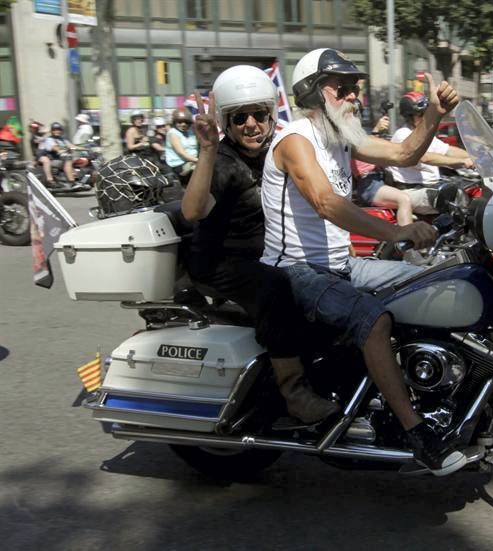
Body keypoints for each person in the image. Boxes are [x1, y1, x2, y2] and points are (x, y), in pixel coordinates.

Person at [261, 48, 465, 476]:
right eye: (345, 87)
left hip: (342, 264)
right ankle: (418, 435)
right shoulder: (295, 139)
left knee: (435, 279)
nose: (355, 95)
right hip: (295, 271)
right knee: (373, 322)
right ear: (315, 92)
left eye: (356, 87)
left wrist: (434, 113)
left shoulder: (342, 138)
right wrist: (395, 232)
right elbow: (325, 201)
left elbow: (406, 153)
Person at [182, 65, 338, 424]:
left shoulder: (276, 149)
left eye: (259, 115)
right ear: (227, 122)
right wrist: (206, 150)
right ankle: (294, 392)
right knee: (278, 287)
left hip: (267, 253)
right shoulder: (223, 162)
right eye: (239, 118)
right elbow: (192, 211)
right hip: (224, 262)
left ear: (271, 115)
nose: (251, 124)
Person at [386, 91, 474, 188]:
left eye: (426, 113)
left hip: (432, 185)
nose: (425, 118)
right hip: (411, 187)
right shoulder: (402, 134)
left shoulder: (425, 135)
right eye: (420, 114)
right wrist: (463, 162)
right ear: (409, 116)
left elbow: (447, 150)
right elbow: (425, 157)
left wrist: (474, 157)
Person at [350, 98, 413, 226]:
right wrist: (376, 130)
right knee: (404, 199)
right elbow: (364, 147)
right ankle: (406, 241)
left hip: (378, 179)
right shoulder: (348, 136)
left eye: (357, 113)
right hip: (369, 184)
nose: (355, 117)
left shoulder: (360, 133)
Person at [165, 107, 199, 185]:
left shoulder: (191, 131)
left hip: (193, 161)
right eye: (179, 122)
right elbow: (181, 152)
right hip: (180, 164)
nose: (183, 124)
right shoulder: (173, 133)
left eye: (186, 122)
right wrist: (198, 161)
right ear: (175, 122)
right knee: (200, 171)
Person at [39, 122, 76, 188]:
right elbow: (55, 148)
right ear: (52, 131)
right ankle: (72, 182)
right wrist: (62, 150)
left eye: (59, 129)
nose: (57, 131)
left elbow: (72, 146)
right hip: (52, 158)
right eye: (55, 129)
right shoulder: (49, 139)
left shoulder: (63, 139)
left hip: (60, 157)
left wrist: (84, 149)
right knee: (68, 159)